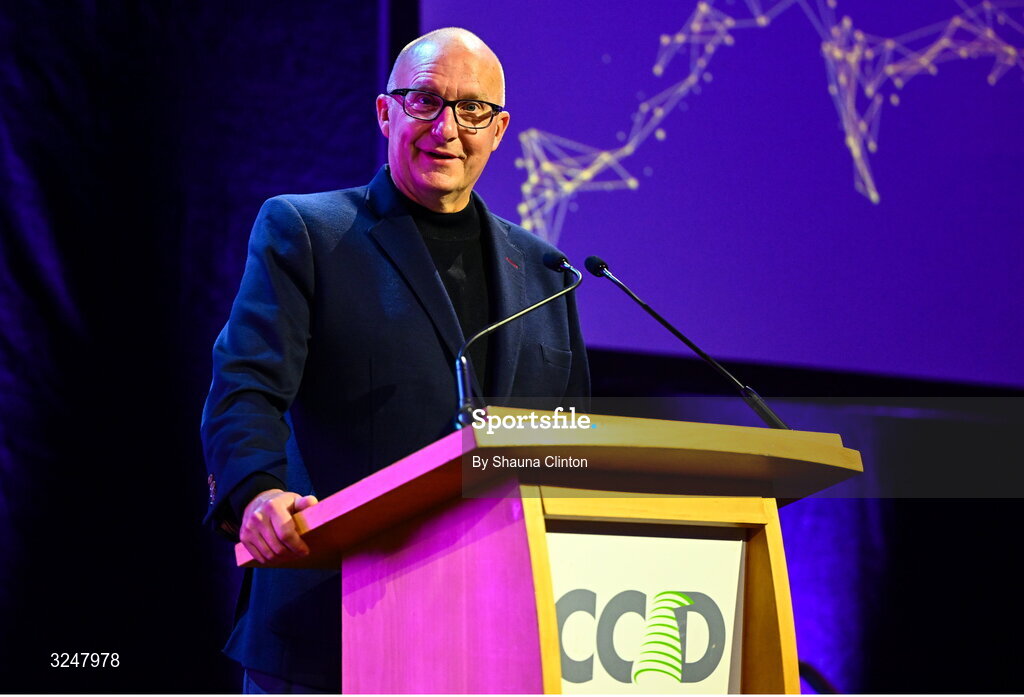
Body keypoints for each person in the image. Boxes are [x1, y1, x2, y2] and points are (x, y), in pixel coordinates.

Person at [201, 27, 590, 692]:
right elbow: (246, 385)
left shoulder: (546, 270)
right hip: (331, 621)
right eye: (424, 101)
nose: (447, 128)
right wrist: (258, 490)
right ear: (385, 113)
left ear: (498, 131)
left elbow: (573, 434)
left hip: (493, 633)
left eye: (472, 110)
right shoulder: (310, 232)